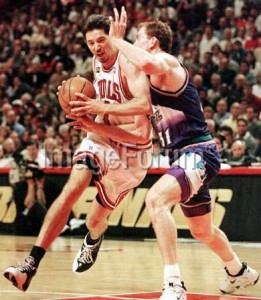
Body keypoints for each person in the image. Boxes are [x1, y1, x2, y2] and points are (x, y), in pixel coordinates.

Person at [73, 7, 259, 300]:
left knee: (155, 200)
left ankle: (174, 284)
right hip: (182, 156)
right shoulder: (147, 78)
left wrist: (117, 40)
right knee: (202, 231)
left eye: (138, 37)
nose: (134, 41)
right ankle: (239, 271)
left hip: (198, 151)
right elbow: (132, 98)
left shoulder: (166, 62)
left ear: (153, 41)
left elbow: (146, 62)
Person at [3, 13, 152, 292]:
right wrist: (78, 102)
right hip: (100, 137)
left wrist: (98, 112)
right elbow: (101, 105)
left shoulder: (130, 64)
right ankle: (29, 266)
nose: (97, 47)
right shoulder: (96, 62)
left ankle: (94, 237)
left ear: (113, 37)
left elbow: (142, 127)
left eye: (102, 40)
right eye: (91, 42)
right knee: (72, 187)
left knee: (95, 220)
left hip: (133, 154)